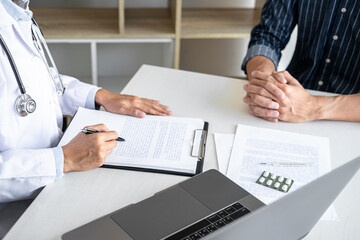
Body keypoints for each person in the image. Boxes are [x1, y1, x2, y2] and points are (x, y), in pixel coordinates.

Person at [0, 0, 171, 206]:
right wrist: (65, 159)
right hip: (17, 209)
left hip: (57, 181)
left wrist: (102, 96)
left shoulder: (16, 12)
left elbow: (32, 83)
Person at [242, 0, 360, 123]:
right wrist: (265, 86)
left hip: (349, 119)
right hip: (288, 103)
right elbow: (267, 35)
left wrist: (312, 107)